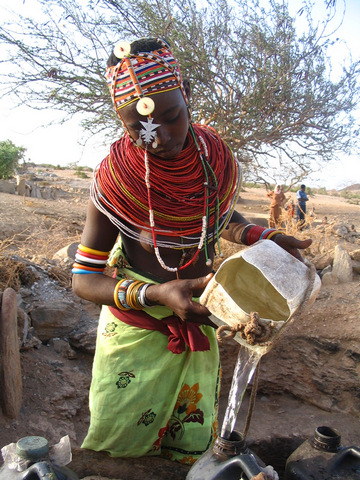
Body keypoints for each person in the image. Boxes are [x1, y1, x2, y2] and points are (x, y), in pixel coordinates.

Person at [72, 37, 311, 465]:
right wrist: (157, 295)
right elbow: (83, 279)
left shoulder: (212, 160)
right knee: (119, 456)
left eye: (172, 117)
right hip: (136, 336)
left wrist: (263, 237)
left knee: (186, 451)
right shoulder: (116, 181)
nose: (160, 138)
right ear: (121, 125)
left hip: (200, 319)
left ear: (187, 95)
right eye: (138, 128)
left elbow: (217, 219)